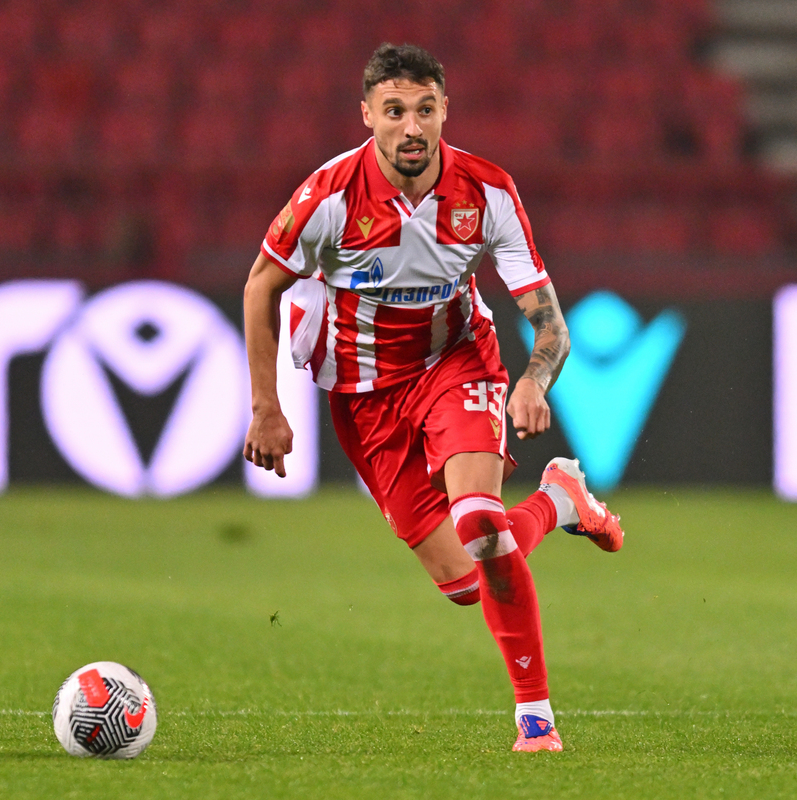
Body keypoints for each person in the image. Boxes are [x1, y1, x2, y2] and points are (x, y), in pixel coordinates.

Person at [243, 43, 624, 753]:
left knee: (481, 522)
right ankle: (561, 500)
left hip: (456, 361)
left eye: (424, 109)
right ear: (368, 116)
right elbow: (261, 284)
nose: (411, 127)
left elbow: (548, 320)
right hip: (363, 393)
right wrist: (267, 406)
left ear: (445, 110)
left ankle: (535, 718)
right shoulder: (329, 196)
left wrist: (534, 379)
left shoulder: (488, 192)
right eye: (394, 112)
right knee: (466, 581)